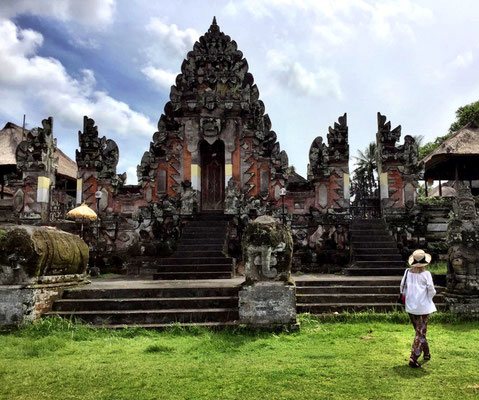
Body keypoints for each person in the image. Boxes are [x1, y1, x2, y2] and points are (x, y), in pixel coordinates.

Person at [400, 249, 437, 368]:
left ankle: (426, 353)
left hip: (411, 306)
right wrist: (428, 299)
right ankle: (414, 357)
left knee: (419, 331)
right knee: (420, 333)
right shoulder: (426, 274)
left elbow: (402, 288)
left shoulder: (407, 273)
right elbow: (431, 290)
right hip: (423, 307)